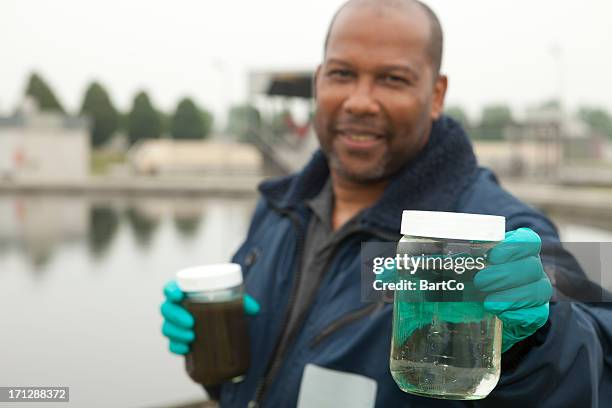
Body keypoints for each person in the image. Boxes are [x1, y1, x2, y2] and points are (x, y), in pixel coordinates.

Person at [160, 0, 612, 406]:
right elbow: (253, 382)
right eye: (342, 74)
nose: (360, 101)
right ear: (319, 81)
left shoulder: (494, 230)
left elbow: (598, 354)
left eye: (392, 79)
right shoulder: (279, 208)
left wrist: (538, 343)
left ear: (435, 95)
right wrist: (222, 351)